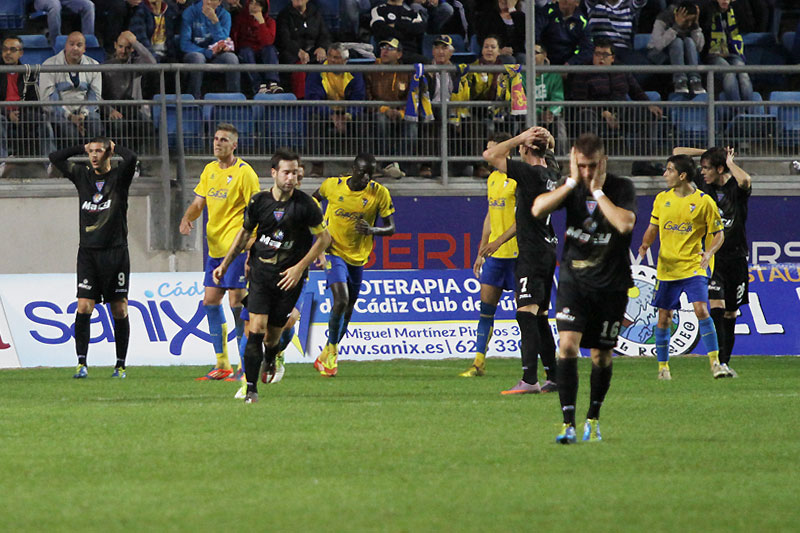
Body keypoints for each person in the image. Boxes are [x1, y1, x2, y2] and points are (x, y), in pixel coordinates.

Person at [532, 132, 637, 444]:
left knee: (601, 356)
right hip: (573, 281)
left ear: (602, 161)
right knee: (566, 346)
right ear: (573, 160)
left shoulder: (621, 187)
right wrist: (570, 183)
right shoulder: (570, 186)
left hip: (611, 284)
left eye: (592, 166)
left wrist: (599, 192)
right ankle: (568, 424)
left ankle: (593, 417)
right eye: (582, 165)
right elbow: (538, 209)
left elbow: (624, 224)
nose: (587, 171)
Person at [212, 149, 331, 404]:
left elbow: (324, 238)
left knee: (272, 336)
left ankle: (271, 356)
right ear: (274, 173)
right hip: (261, 274)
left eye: (295, 173)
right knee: (255, 329)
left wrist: (300, 267)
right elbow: (244, 236)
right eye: (286, 172)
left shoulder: (306, 205)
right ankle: (251, 388)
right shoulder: (258, 202)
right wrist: (225, 264)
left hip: (289, 278)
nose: (291, 178)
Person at [48, 137, 138, 378]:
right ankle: (81, 364)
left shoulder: (120, 177)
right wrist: (82, 147)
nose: (94, 155)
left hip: (116, 252)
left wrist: (115, 145)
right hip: (88, 252)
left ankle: (120, 365)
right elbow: (54, 158)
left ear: (108, 153)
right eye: (91, 152)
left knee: (119, 309)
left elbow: (132, 158)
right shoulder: (82, 175)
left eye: (99, 151)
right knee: (84, 306)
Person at [479, 127, 559, 394]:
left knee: (525, 314)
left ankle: (529, 379)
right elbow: (550, 151)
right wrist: (542, 139)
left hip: (532, 251)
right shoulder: (551, 172)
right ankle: (554, 376)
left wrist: (520, 137)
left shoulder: (529, 173)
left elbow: (490, 154)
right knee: (540, 317)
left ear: (525, 149)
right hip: (548, 249)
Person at [179, 123, 260, 381]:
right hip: (214, 250)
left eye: (224, 140)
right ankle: (222, 364)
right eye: (215, 139)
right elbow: (198, 202)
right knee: (210, 302)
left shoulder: (245, 173)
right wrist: (186, 218)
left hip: (236, 250)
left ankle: (245, 366)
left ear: (234, 145)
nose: (217, 143)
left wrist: (252, 246)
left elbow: (257, 210)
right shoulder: (209, 170)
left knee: (237, 304)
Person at [637, 154, 727, 380]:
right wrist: (645, 244)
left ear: (682, 175)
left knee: (701, 309)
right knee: (664, 317)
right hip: (667, 268)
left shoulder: (704, 202)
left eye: (669, 170)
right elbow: (653, 226)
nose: (664, 174)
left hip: (694, 266)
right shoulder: (661, 199)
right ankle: (663, 368)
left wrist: (709, 252)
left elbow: (718, 234)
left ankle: (716, 363)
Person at [312, 153, 396, 377]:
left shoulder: (379, 193)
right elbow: (313, 201)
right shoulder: (332, 186)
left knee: (348, 311)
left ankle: (328, 352)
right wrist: (318, 232)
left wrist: (372, 230)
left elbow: (391, 228)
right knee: (341, 299)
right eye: (362, 172)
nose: (366, 177)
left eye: (370, 172)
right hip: (333, 252)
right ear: (353, 169)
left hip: (358, 257)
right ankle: (331, 356)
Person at [674, 145, 751, 377]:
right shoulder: (704, 183)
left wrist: (728, 163)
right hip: (711, 256)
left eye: (707, 168)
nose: (702, 171)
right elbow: (678, 151)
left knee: (730, 313)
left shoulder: (735, 188)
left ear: (720, 169)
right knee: (716, 307)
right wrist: (709, 151)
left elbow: (746, 179)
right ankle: (717, 364)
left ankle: (725, 362)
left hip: (736, 257)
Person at [459, 132, 517, 377]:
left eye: (494, 150)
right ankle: (478, 362)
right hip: (495, 257)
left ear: (507, 152)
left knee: (527, 313)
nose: (489, 154)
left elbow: (524, 218)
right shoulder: (492, 179)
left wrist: (499, 242)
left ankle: (537, 366)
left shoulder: (519, 179)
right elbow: (490, 216)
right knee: (485, 309)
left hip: (519, 255)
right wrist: (481, 251)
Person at [568, 39, 662, 157]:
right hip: (595, 113)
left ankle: (643, 163)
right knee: (585, 115)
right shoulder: (583, 72)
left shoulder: (621, 70)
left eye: (605, 55)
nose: (601, 58)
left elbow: (636, 91)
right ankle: (591, 159)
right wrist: (603, 112)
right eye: (597, 54)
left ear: (612, 58)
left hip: (620, 111)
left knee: (647, 114)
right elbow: (580, 100)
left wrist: (650, 105)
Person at [305, 42, 366, 174]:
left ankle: (361, 165)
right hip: (324, 111)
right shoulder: (316, 72)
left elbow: (358, 98)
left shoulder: (355, 73)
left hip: (347, 111)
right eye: (330, 56)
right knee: (313, 120)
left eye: (337, 58)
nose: (332, 60)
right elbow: (313, 99)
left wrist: (348, 115)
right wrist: (331, 115)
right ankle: (317, 165)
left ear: (345, 60)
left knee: (363, 120)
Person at [39, 32, 104, 146]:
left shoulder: (94, 65)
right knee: (70, 132)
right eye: (71, 44)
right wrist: (69, 115)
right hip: (60, 113)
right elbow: (49, 97)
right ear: (65, 46)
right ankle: (71, 161)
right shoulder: (49, 64)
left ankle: (92, 159)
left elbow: (95, 95)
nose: (75, 48)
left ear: (84, 49)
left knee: (95, 123)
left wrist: (82, 115)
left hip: (85, 112)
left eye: (79, 45)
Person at [365, 38, 416, 177]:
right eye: (383, 48)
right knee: (381, 120)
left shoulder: (407, 72)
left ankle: (401, 166)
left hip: (401, 112)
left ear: (399, 54)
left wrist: (401, 112)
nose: (385, 51)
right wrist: (385, 110)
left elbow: (411, 99)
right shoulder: (372, 70)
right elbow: (368, 97)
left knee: (412, 124)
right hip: (379, 111)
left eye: (390, 48)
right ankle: (385, 164)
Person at [1, 36, 49, 179]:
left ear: (20, 53)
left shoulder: (28, 73)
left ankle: (48, 163)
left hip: (23, 113)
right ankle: (2, 163)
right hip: (2, 113)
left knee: (44, 123)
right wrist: (8, 113)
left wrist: (21, 113)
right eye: (5, 49)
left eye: (12, 50)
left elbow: (35, 102)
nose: (7, 53)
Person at [102, 31, 156, 152]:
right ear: (115, 45)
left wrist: (135, 42)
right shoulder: (105, 67)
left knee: (146, 125)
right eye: (120, 47)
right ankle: (125, 160)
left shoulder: (136, 64)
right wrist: (110, 110)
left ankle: (137, 160)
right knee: (120, 125)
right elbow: (98, 94)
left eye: (128, 47)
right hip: (113, 110)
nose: (123, 51)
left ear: (132, 49)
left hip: (133, 109)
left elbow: (152, 62)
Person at [179, 0, 241, 99]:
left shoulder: (225, 16)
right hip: (196, 51)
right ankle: (193, 99)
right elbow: (184, 44)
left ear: (219, 2)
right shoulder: (190, 12)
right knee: (198, 58)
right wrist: (206, 52)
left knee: (231, 59)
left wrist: (215, 22)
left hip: (217, 54)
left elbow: (223, 41)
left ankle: (234, 100)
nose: (208, 2)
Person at [647, 1, 705, 95]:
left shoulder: (692, 23)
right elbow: (657, 45)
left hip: (683, 57)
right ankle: (680, 80)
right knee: (677, 42)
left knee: (689, 41)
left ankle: (695, 80)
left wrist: (696, 26)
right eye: (687, 21)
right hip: (660, 55)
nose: (689, 24)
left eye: (692, 21)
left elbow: (699, 48)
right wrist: (675, 27)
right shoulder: (663, 18)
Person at [276, 0, 332, 98]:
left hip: (313, 51)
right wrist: (298, 51)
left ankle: (326, 99)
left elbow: (325, 35)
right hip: (292, 53)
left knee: (328, 60)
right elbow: (284, 39)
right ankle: (301, 100)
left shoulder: (315, 13)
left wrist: (322, 47)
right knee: (298, 64)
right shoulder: (284, 15)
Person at [700, 0, 752, 101]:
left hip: (733, 53)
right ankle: (738, 111)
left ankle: (750, 112)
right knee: (728, 72)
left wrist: (739, 7)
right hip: (713, 54)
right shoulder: (707, 10)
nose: (724, 0)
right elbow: (704, 29)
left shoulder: (735, 10)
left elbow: (748, 25)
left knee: (743, 74)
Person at [231, 0, 282, 95]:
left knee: (270, 49)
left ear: (263, 7)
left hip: (262, 50)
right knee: (246, 52)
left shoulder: (270, 22)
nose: (254, 6)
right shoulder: (240, 19)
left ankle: (273, 83)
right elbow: (236, 39)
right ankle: (258, 85)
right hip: (246, 51)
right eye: (251, 3)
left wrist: (261, 23)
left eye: (258, 4)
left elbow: (267, 42)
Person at [535, 0, 593, 68]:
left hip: (569, 66)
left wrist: (570, 64)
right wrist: (541, 54)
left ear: (577, 2)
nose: (564, 0)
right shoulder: (547, 11)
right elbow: (535, 33)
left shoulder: (582, 22)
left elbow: (587, 49)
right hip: (545, 59)